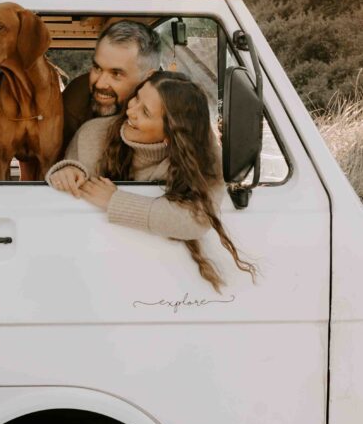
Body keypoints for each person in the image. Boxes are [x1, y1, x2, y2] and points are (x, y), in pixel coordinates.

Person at [47, 70, 257, 292]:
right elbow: (65, 186)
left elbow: (198, 218)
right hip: (87, 273)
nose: (130, 111)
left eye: (145, 112)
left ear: (171, 133)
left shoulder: (202, 156)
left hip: (160, 283)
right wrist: (66, 171)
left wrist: (115, 201)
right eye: (137, 97)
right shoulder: (93, 134)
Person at [61, 20, 163, 150]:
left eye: (116, 74)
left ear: (149, 78)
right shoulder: (75, 101)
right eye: (97, 68)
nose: (100, 84)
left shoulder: (169, 116)